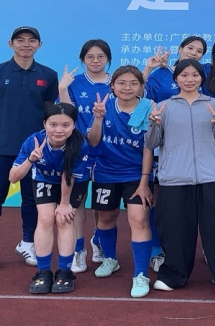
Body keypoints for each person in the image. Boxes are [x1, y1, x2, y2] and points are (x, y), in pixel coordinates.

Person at [143, 59, 215, 308]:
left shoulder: (214, 104)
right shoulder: (164, 106)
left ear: (202, 78)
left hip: (210, 175)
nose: (189, 79)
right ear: (176, 79)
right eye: (184, 75)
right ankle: (174, 275)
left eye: (194, 75)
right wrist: (154, 123)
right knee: (175, 230)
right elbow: (152, 143)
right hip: (174, 177)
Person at [0, 26, 59, 271]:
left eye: (32, 40)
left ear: (39, 45)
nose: (26, 44)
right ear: (10, 44)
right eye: (20, 40)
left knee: (31, 199)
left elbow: (47, 109)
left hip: (33, 149)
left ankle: (27, 243)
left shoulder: (49, 75)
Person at [9, 103, 100, 294]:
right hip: (45, 179)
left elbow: (69, 176)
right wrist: (31, 159)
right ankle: (43, 272)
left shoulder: (79, 144)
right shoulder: (33, 141)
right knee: (45, 218)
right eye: (53, 124)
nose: (59, 130)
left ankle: (64, 272)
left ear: (73, 125)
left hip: (74, 181)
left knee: (64, 219)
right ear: (44, 124)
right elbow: (13, 177)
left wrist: (65, 204)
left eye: (65, 125)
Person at [141, 36, 208, 272]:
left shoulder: (201, 76)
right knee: (158, 199)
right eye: (190, 48)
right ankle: (156, 251)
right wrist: (148, 68)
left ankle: (192, 249)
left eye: (199, 51)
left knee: (188, 204)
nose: (193, 53)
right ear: (180, 49)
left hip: (192, 148)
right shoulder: (161, 73)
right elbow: (140, 95)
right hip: (161, 143)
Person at [88, 66, 154, 298]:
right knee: (106, 218)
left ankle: (140, 274)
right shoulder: (103, 106)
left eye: (133, 83)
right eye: (122, 83)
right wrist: (98, 119)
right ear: (112, 86)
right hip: (106, 172)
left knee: (139, 219)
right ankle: (110, 259)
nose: (127, 88)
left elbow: (149, 147)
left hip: (136, 175)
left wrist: (144, 181)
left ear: (141, 86)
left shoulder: (148, 108)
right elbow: (93, 141)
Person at [58, 39, 112, 273]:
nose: (95, 61)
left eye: (101, 56)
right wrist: (62, 89)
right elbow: (67, 114)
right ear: (82, 59)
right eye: (90, 57)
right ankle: (78, 249)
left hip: (110, 151)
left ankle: (98, 239)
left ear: (108, 59)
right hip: (80, 150)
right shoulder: (75, 83)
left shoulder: (117, 82)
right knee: (77, 202)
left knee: (103, 203)